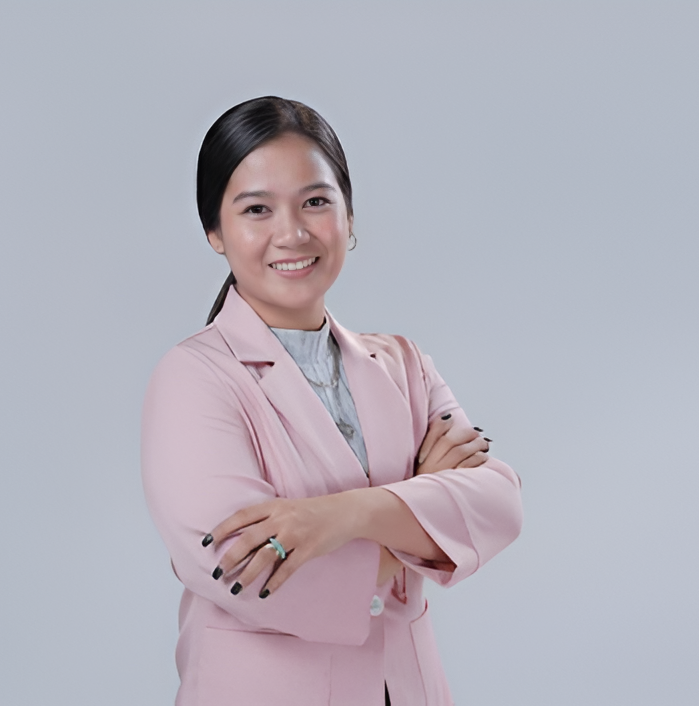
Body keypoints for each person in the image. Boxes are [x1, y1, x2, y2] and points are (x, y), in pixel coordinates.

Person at [141, 96, 523, 706]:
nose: (291, 233)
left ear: (350, 216)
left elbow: (500, 503)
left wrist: (338, 517)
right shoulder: (193, 379)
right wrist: (426, 511)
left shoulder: (401, 362)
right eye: (257, 209)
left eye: (315, 202)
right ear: (215, 231)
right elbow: (254, 576)